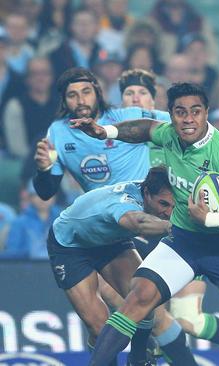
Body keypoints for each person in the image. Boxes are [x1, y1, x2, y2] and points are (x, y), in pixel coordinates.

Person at [70, 82, 219, 366]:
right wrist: (106, 131)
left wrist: (211, 218)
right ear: (171, 115)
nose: (188, 119)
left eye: (196, 112)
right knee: (139, 297)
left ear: (206, 112)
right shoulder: (169, 133)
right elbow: (144, 128)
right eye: (180, 112)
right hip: (184, 242)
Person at [32, 67, 198, 365]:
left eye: (85, 91)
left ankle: (146, 359)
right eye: (72, 95)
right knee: (100, 325)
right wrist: (44, 170)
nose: (80, 100)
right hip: (81, 235)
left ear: (97, 91)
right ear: (64, 101)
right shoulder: (57, 132)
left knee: (148, 304)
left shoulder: (127, 117)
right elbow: (46, 192)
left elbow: (186, 129)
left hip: (131, 226)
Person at [119, 69, 219, 365]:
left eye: (142, 94)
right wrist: (105, 132)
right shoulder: (142, 140)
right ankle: (142, 358)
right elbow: (142, 129)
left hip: (213, 238)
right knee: (142, 302)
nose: (136, 99)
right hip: (164, 235)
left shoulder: (212, 145)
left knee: (190, 318)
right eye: (129, 95)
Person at [46, 168, 175, 365]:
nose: (168, 212)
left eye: (173, 206)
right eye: (163, 204)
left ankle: (138, 359)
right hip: (70, 246)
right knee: (99, 328)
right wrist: (174, 226)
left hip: (109, 240)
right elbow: (138, 223)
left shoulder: (152, 188)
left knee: (147, 297)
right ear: (146, 193)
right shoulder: (123, 204)